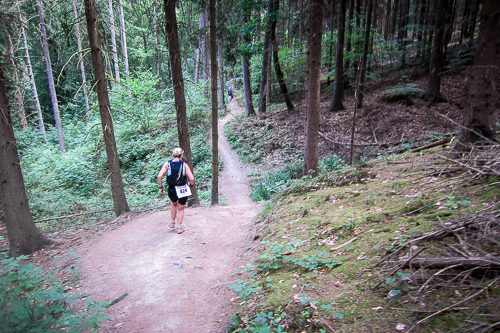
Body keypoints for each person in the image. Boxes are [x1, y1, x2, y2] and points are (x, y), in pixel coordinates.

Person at [157, 148, 195, 234]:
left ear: (172, 155)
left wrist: (161, 187)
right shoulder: (184, 165)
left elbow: (159, 176)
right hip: (182, 188)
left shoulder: (167, 164)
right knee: (181, 207)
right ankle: (179, 227)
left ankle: (172, 222)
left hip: (172, 188)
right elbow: (192, 178)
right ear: (181, 156)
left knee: (174, 204)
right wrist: (191, 185)